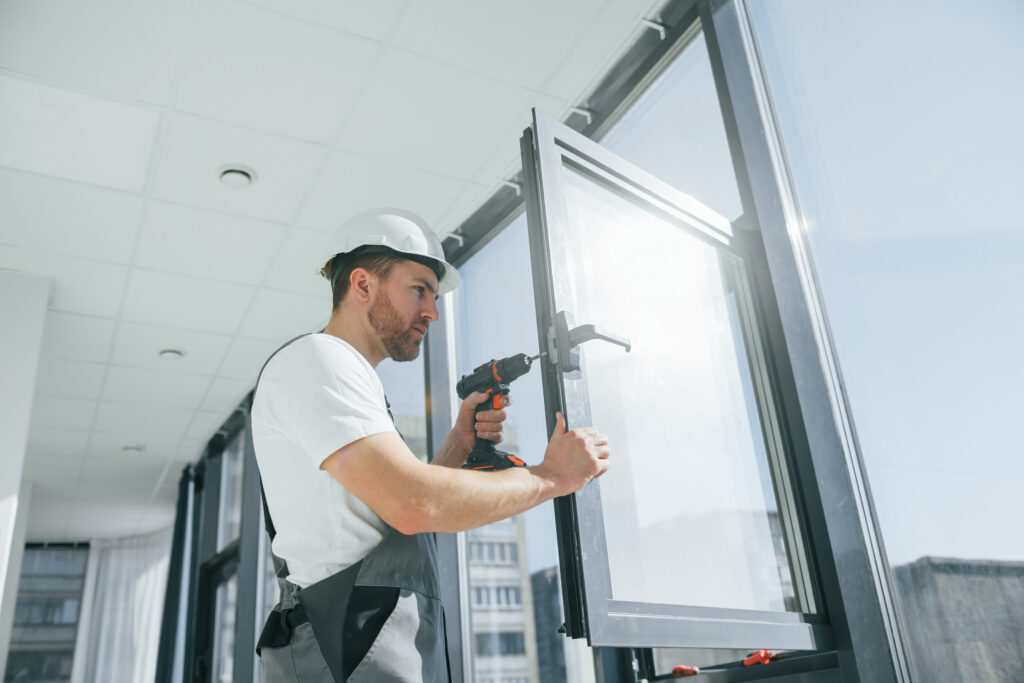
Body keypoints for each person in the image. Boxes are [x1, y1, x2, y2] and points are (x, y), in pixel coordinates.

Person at [251, 208, 610, 683]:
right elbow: (411, 503)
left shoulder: (349, 378)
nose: (433, 312)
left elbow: (387, 522)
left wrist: (457, 447)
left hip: (363, 643)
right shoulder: (321, 360)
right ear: (362, 285)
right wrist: (554, 476)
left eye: (434, 297)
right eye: (419, 289)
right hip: (342, 650)